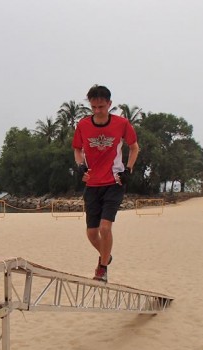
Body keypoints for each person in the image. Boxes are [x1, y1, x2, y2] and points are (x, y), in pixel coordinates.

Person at [72, 85, 139, 282]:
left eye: (101, 107)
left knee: (105, 228)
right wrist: (80, 166)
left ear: (109, 104)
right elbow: (77, 150)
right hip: (92, 184)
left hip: (114, 182)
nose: (97, 111)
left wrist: (128, 170)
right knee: (92, 233)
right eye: (93, 107)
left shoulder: (122, 124)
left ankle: (102, 268)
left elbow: (134, 148)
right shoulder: (83, 125)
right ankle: (106, 256)